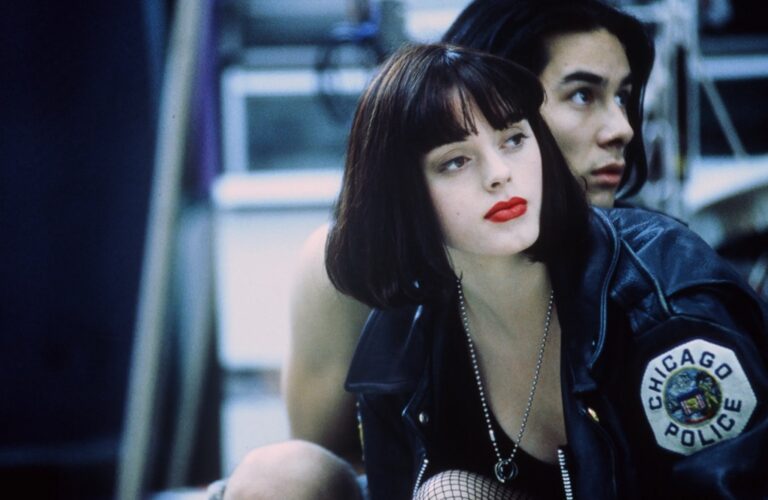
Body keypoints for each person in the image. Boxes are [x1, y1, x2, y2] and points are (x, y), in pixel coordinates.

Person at [221, 0, 655, 497]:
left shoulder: (649, 265)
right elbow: (331, 462)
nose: (622, 128)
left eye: (623, 97)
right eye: (581, 95)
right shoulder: (347, 268)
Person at [329, 42, 768, 499]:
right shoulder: (402, 340)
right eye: (455, 161)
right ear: (399, 196)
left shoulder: (659, 297)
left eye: (513, 139)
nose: (499, 173)